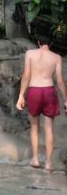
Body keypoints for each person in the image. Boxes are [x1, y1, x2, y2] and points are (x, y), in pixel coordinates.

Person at [16, 35, 67, 171]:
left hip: (34, 91)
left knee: (34, 127)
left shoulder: (30, 54)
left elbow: (26, 75)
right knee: (49, 128)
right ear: (50, 45)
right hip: (49, 91)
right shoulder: (56, 57)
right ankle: (49, 164)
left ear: (38, 43)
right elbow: (60, 81)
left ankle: (36, 159)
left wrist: (21, 95)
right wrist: (66, 99)